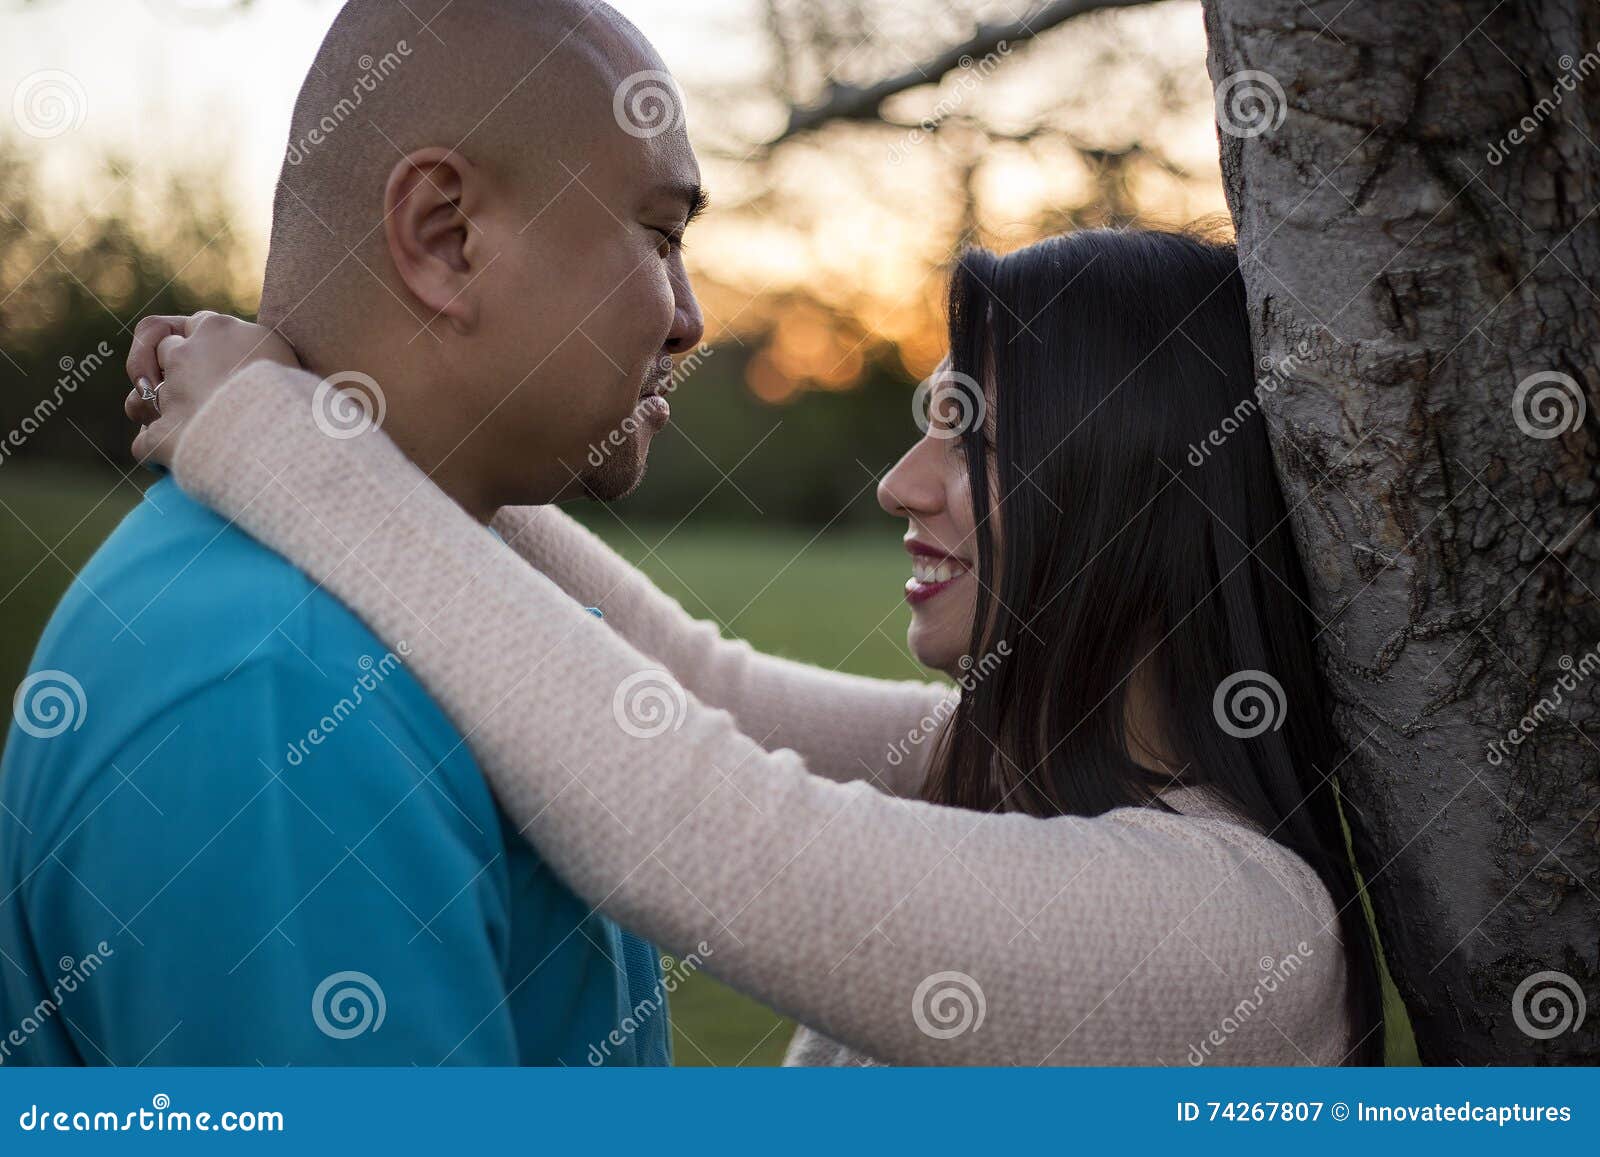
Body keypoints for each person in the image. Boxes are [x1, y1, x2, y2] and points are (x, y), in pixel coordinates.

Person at [115, 227, 1387, 1066]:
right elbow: (688, 681)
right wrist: (366, 409)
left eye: (974, 437)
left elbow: (692, 823)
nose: (900, 483)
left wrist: (287, 451)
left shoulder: (1236, 936)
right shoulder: (1016, 763)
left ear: (1133, 490)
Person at [0, 0, 739, 1065]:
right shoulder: (278, 688)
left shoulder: (391, 602)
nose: (686, 316)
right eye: (661, 234)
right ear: (446, 237)